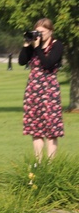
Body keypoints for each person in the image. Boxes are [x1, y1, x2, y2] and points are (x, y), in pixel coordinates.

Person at [19, 18, 65, 161]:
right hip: (33, 90)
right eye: (37, 32)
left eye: (42, 32)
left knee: (52, 130)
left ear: (50, 32)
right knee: (36, 129)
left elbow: (48, 64)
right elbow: (21, 61)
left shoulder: (57, 45)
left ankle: (51, 164)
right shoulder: (33, 46)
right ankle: (38, 163)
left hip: (49, 90)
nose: (39, 35)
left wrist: (38, 47)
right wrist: (27, 45)